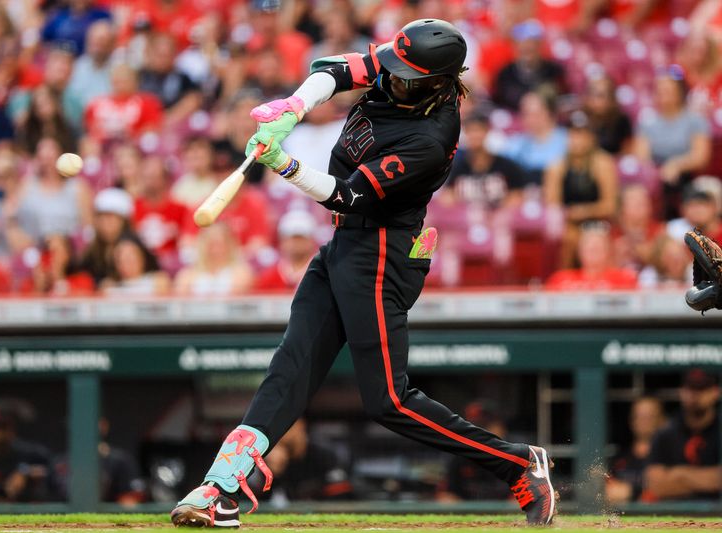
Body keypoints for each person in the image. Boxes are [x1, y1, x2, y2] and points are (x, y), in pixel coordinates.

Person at [170, 19, 556, 528]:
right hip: (344, 246)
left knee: (389, 401)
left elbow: (347, 193)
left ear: (436, 82)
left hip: (381, 253)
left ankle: (518, 464)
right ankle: (221, 488)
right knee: (291, 367)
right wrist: (295, 107)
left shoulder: (430, 138)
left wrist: (284, 164)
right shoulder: (402, 70)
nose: (388, 77)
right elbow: (332, 69)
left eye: (404, 75)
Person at [633, 65, 711, 219]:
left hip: (688, 175)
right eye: (659, 91)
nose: (663, 95)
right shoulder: (647, 121)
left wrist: (676, 165)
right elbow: (641, 157)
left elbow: (701, 156)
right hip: (657, 176)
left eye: (668, 90)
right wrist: (659, 172)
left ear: (680, 92)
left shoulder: (694, 120)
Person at [543, 110, 618, 268]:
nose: (577, 140)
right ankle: (565, 280)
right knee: (567, 237)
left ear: (591, 138)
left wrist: (582, 212)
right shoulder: (557, 166)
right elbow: (552, 205)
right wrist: (570, 216)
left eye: (582, 135)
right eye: (573, 135)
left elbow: (610, 206)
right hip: (570, 224)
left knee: (593, 238)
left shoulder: (602, 163)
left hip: (599, 222)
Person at [643, 370, 721, 501]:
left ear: (715, 392)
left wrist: (680, 475)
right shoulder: (665, 431)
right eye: (691, 389)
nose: (695, 395)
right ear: (681, 392)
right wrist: (710, 479)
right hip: (673, 515)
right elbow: (655, 485)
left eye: (702, 389)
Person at [14, 137, 92, 244]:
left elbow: (88, 227)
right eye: (42, 158)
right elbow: (13, 218)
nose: (47, 165)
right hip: (32, 249)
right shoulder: (27, 185)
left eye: (50, 158)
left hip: (69, 251)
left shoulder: (78, 188)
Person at [256, 419, 350, 506]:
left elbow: (341, 499)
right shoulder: (275, 458)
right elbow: (261, 504)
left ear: (300, 426)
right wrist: (272, 474)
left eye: (286, 428)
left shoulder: (323, 456)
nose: (281, 434)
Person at [437, 402, 517, 502]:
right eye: (474, 427)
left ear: (499, 427)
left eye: (484, 426)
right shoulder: (460, 452)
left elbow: (531, 492)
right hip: (469, 512)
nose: (479, 433)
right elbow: (446, 493)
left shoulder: (515, 453)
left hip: (506, 511)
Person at [445, 110, 526, 210]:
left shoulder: (507, 166)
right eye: (470, 131)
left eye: (478, 130)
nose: (474, 135)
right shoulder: (457, 167)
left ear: (487, 131)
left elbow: (517, 196)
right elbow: (447, 197)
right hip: (467, 220)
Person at [132, 156, 194, 267]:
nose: (149, 182)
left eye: (154, 177)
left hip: (172, 265)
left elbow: (187, 242)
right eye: (146, 177)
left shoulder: (180, 209)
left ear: (165, 179)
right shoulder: (132, 207)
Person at [492, 20, 565, 111]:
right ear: (515, 46)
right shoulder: (505, 74)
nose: (527, 46)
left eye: (532, 44)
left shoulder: (554, 72)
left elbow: (563, 100)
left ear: (540, 45)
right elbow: (497, 104)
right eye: (522, 44)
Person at [606, 397, 666, 505]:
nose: (644, 421)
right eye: (639, 416)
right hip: (624, 518)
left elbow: (674, 490)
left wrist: (632, 493)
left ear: (661, 420)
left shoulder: (669, 457)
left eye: (649, 416)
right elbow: (607, 491)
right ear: (631, 420)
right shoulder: (620, 458)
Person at [84, 63, 164, 144]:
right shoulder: (96, 103)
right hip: (102, 145)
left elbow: (151, 129)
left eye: (125, 79)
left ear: (136, 81)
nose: (120, 82)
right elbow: (91, 129)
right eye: (117, 78)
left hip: (133, 146)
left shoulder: (148, 103)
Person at [502, 89, 568, 184]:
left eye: (534, 113)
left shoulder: (566, 139)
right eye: (525, 113)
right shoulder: (515, 143)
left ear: (549, 112)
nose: (529, 119)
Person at [545, 223, 638, 291]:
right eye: (589, 247)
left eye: (598, 247)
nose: (593, 249)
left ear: (609, 251)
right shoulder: (560, 279)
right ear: (579, 251)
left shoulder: (624, 279)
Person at [138, 32, 202, 125]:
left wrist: (165, 120)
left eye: (167, 55)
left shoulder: (182, 78)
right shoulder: (137, 76)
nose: (163, 59)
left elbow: (193, 100)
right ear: (148, 52)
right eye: (159, 54)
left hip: (171, 125)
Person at [173, 223, 254, 297]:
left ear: (229, 246)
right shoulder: (187, 275)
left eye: (220, 245)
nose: (215, 250)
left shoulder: (241, 272)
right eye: (211, 245)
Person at [81, 187, 136, 284]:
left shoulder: (133, 246)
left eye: (109, 217)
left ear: (123, 221)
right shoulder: (93, 249)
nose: (104, 223)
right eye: (100, 217)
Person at [256, 211, 319, 292]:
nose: (295, 243)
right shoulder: (270, 277)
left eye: (300, 238)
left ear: (311, 241)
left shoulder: (322, 273)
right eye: (291, 238)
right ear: (282, 241)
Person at [612, 185, 664, 273]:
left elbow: (664, 263)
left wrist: (636, 248)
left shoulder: (660, 231)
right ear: (621, 207)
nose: (640, 203)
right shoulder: (612, 234)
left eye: (644, 200)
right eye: (633, 200)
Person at [101, 235, 170, 297]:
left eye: (130, 257)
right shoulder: (111, 288)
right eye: (121, 258)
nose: (126, 262)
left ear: (142, 257)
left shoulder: (158, 281)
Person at [30, 233, 94, 296]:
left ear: (68, 254)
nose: (51, 258)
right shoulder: (31, 284)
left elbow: (84, 300)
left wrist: (58, 278)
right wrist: (39, 289)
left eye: (55, 252)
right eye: (47, 252)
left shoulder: (83, 280)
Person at [583, 75, 633, 155]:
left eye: (601, 96)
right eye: (592, 95)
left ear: (611, 98)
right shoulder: (580, 119)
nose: (596, 101)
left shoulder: (621, 121)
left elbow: (627, 152)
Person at [40, 0, 111, 56]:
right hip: (60, 59)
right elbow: (44, 39)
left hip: (87, 61)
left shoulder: (100, 16)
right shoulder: (59, 15)